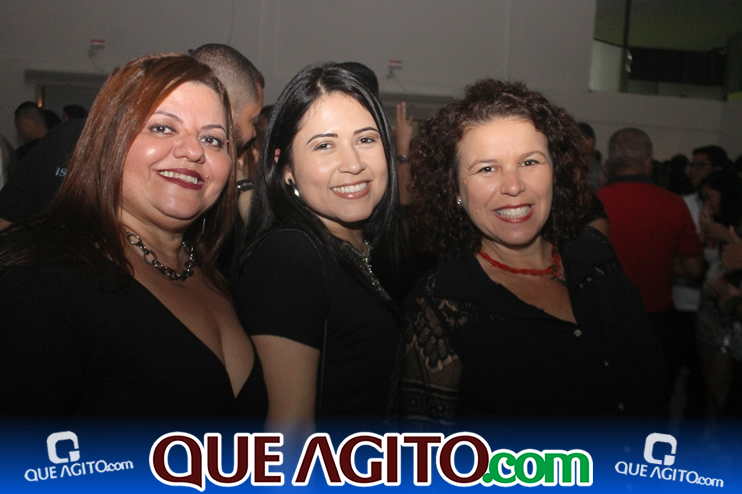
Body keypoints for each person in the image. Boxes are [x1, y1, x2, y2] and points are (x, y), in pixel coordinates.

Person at [0, 53, 266, 416]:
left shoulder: (216, 271)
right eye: (163, 128)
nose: (193, 150)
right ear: (108, 140)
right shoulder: (39, 275)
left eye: (212, 139)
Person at [400, 80, 663, 423]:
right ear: (455, 190)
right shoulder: (441, 303)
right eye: (487, 168)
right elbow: (426, 443)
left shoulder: (594, 253)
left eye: (529, 162)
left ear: (556, 171)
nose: (513, 186)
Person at [234, 63, 403, 434]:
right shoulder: (290, 256)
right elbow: (288, 434)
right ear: (285, 167)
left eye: (366, 140)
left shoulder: (363, 245)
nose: (353, 164)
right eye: (325, 145)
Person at [597, 128, 704, 411]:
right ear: (648, 163)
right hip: (655, 321)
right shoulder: (673, 204)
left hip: (603, 318)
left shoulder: (593, 203)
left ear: (609, 163)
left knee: (603, 401)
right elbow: (694, 268)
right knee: (651, 402)